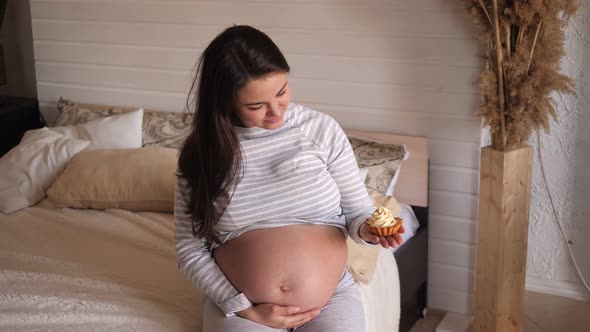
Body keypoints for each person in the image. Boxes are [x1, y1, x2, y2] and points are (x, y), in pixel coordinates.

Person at [174, 25, 405, 332]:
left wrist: (371, 228)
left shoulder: (320, 130)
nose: (275, 112)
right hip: (245, 308)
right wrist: (241, 306)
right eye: (256, 106)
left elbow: (358, 211)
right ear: (224, 102)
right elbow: (190, 249)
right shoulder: (201, 155)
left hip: (329, 299)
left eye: (282, 92)